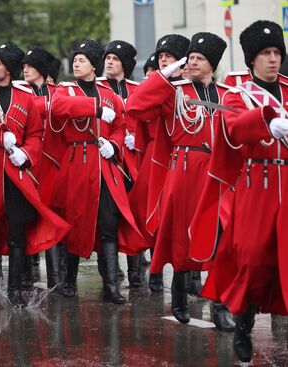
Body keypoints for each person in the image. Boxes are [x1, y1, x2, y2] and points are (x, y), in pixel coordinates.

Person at [190, 20, 288, 363]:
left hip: (287, 185)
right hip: (256, 188)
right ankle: (244, 326)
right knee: (254, 262)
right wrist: (264, 121)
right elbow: (231, 131)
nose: (273, 59)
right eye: (266, 53)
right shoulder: (238, 94)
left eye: (277, 52)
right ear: (252, 60)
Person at [125, 32, 235, 330]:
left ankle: (221, 304)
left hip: (219, 172)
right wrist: (163, 76)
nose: (193, 63)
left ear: (212, 63)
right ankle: (179, 291)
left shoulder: (227, 94)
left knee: (222, 237)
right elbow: (134, 106)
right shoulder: (175, 92)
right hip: (185, 170)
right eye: (191, 58)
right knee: (185, 233)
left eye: (199, 58)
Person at [0, 42, 70, 308]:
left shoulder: (25, 96)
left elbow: (35, 134)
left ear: (8, 68)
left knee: (17, 229)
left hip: (15, 172)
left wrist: (27, 154)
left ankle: (15, 289)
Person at [50, 39, 140, 303]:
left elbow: (122, 125)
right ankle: (68, 281)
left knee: (108, 223)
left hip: (105, 163)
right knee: (75, 221)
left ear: (93, 66)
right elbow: (59, 108)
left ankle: (111, 285)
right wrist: (95, 109)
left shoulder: (110, 93)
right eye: (75, 59)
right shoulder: (66, 89)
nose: (76, 63)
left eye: (81, 60)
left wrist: (114, 144)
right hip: (77, 162)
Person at [125, 34, 190, 294]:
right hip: (158, 156)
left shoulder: (191, 87)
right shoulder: (158, 87)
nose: (164, 59)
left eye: (170, 56)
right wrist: (162, 78)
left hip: (190, 158)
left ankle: (190, 275)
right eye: (161, 56)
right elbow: (137, 105)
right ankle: (154, 271)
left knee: (187, 217)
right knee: (153, 214)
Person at [101, 40, 144, 288]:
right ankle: (110, 268)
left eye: (115, 59)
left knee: (133, 213)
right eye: (108, 57)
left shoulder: (137, 90)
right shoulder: (97, 88)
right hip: (107, 158)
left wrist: (136, 139)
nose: (109, 62)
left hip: (132, 160)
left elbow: (147, 124)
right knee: (108, 215)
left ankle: (135, 270)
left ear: (125, 65)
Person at [21, 45, 64, 291]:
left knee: (53, 215)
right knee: (26, 218)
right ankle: (26, 274)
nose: (25, 70)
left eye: (30, 66)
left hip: (52, 163)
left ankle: (57, 278)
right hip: (27, 161)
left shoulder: (58, 92)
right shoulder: (19, 92)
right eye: (24, 66)